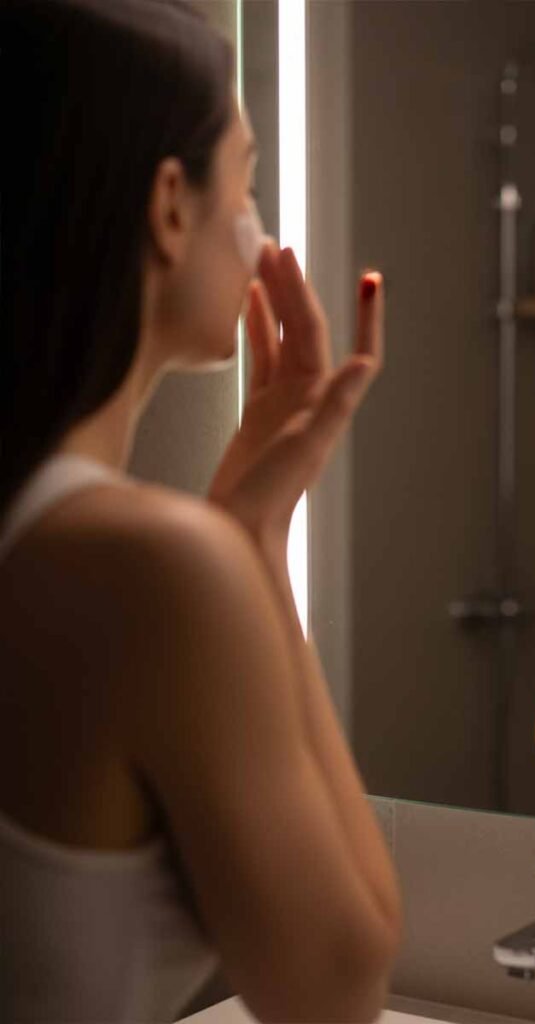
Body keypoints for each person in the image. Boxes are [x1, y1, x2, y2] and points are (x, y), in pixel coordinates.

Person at [0, 1, 399, 1020]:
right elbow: (339, 986)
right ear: (171, 206)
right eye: (249, 180)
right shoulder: (153, 568)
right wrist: (252, 544)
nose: (261, 229)